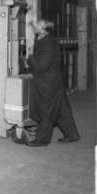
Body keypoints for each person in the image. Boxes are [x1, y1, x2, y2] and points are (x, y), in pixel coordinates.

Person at [17, 19, 80, 147]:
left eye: (38, 25)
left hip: (48, 83)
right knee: (62, 109)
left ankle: (42, 139)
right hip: (53, 81)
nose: (35, 26)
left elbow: (41, 66)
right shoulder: (45, 39)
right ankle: (72, 134)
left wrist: (30, 57)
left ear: (44, 29)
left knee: (45, 110)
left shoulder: (48, 43)